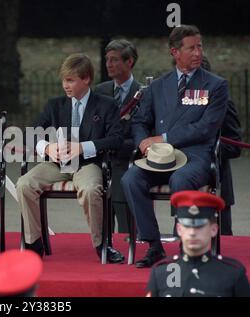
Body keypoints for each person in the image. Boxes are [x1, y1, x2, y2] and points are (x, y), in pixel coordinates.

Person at [121, 25, 228, 268]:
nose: (198, 52)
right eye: (191, 48)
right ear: (175, 52)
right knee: (131, 179)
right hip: (160, 158)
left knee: (180, 180)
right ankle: (153, 246)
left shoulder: (215, 85)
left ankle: (184, 247)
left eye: (200, 46)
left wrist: (165, 137)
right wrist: (143, 143)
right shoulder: (159, 86)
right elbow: (139, 121)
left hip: (195, 156)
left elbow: (206, 128)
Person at [16, 53, 125, 263]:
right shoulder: (55, 105)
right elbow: (32, 131)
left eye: (70, 80)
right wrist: (46, 147)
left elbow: (116, 139)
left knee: (91, 189)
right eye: (64, 80)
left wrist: (82, 148)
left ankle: (101, 244)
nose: (65, 85)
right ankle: (33, 243)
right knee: (24, 184)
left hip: (88, 164)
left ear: (86, 79)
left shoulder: (106, 105)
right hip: (57, 164)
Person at [147, 190, 250, 297]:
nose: (192, 232)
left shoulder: (232, 274)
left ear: (214, 229)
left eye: (199, 226)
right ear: (179, 229)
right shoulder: (161, 273)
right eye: (187, 226)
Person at [94, 39, 141, 233]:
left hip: (128, 161)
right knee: (101, 222)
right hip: (102, 162)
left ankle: (128, 247)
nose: (108, 64)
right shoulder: (100, 91)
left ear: (129, 62)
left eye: (114, 60)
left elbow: (144, 134)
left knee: (126, 228)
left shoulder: (144, 93)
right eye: (107, 60)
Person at [200, 56, 242, 235]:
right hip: (186, 186)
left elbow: (234, 146)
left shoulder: (223, 103)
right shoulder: (176, 104)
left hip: (217, 183)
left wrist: (206, 149)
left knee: (223, 243)